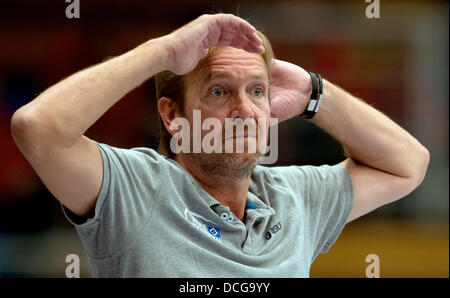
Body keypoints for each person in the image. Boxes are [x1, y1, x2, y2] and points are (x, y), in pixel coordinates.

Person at [11, 14, 430, 277]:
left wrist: (313, 92)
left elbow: (409, 163)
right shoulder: (135, 188)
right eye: (218, 92)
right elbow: (37, 127)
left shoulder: (294, 198)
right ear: (173, 115)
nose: (244, 110)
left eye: (258, 91)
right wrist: (163, 51)